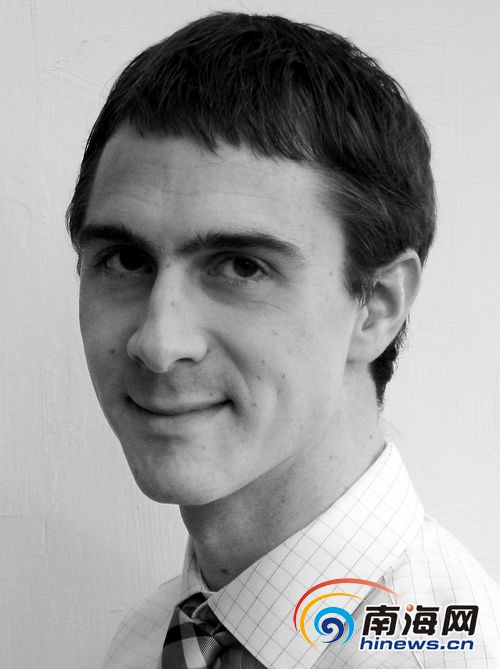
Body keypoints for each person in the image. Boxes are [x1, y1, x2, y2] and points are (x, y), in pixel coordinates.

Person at [67, 12, 500, 669]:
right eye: (125, 260)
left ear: (378, 305)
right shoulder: (143, 639)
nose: (158, 342)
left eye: (242, 267)